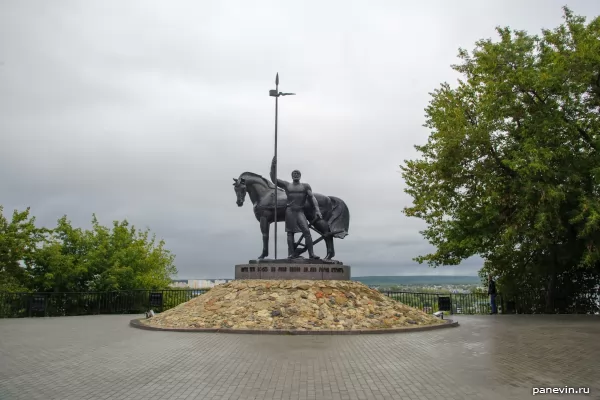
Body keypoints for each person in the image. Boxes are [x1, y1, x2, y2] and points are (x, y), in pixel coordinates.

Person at [270, 156, 322, 259]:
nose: (296, 175)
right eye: (294, 174)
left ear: (300, 176)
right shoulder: (287, 185)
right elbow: (273, 179)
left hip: (299, 211)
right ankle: (291, 254)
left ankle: (311, 254)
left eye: (298, 173)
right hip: (290, 211)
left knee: (306, 231)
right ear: (292, 176)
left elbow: (312, 197)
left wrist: (317, 209)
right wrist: (273, 166)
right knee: (290, 233)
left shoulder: (305, 186)